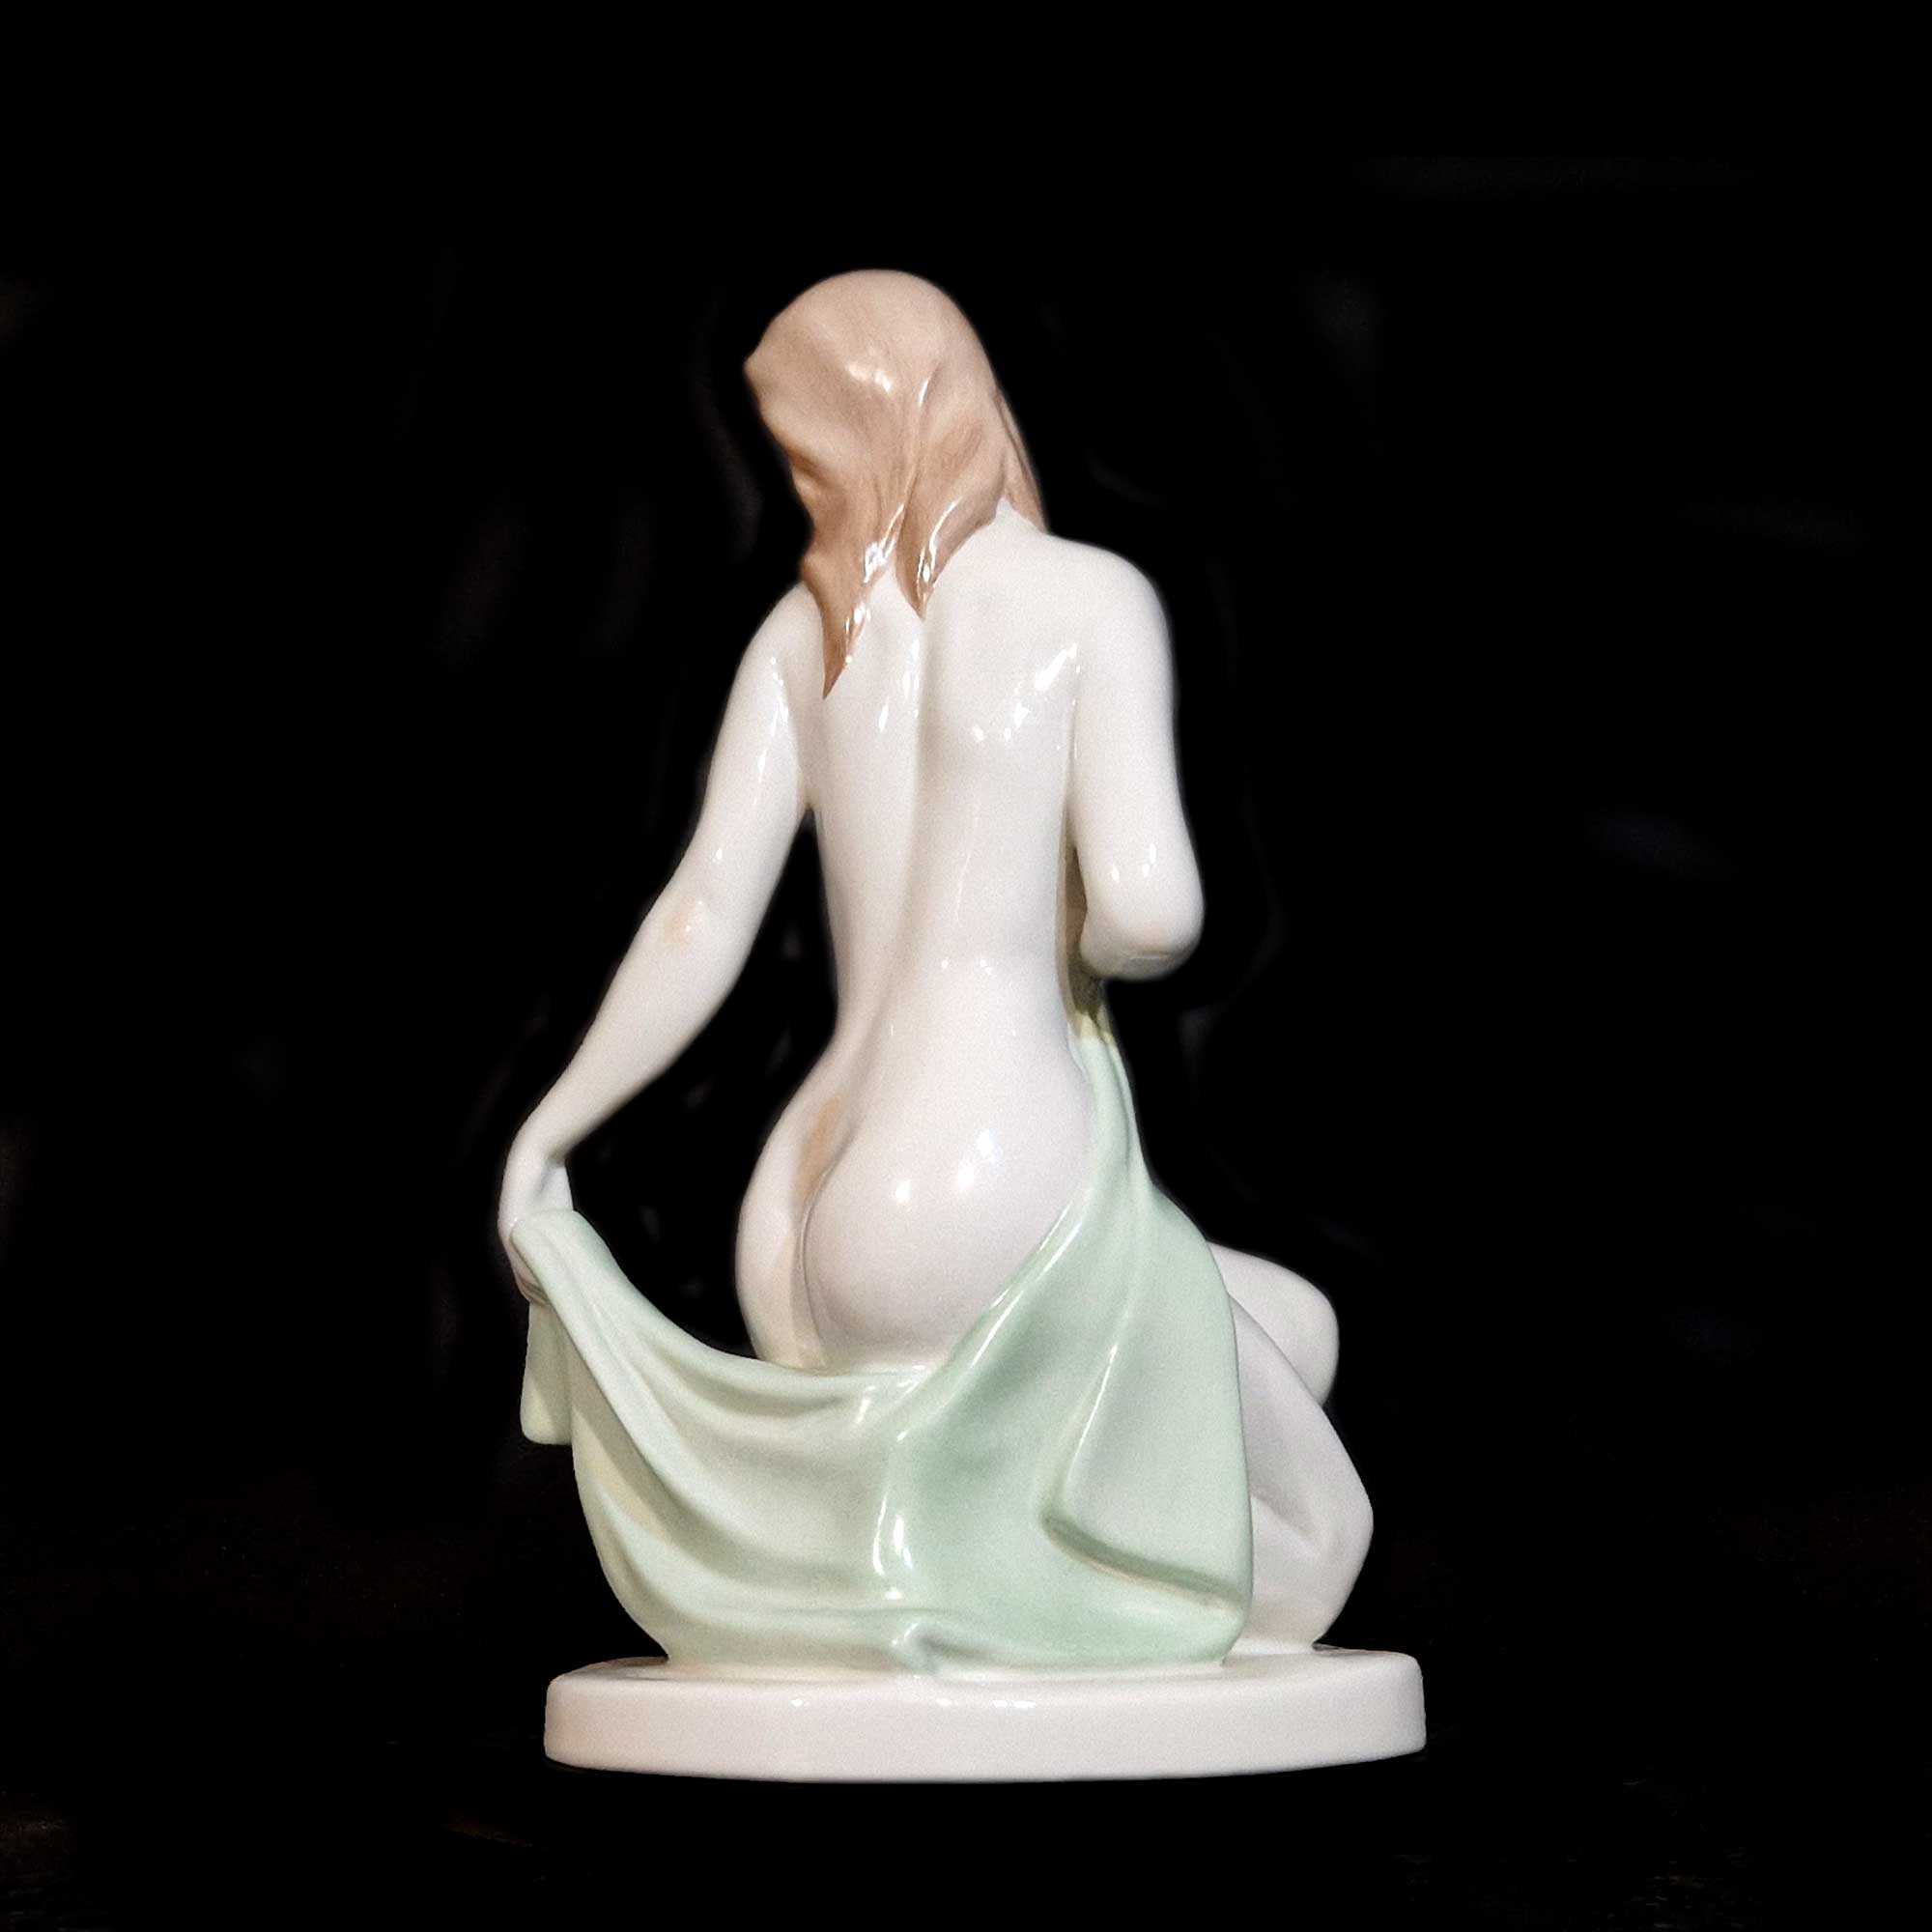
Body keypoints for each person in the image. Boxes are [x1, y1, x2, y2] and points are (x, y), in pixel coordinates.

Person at [498, 271, 1371, 1663]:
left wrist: (548, 1136)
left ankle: (970, 1552)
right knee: (1315, 1528)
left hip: (801, 1213)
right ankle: (1034, 1599)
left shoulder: (801, 641)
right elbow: (1152, 913)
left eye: (805, 455)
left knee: (1296, 1329)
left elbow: (700, 913)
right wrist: (1066, 930)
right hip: (982, 1168)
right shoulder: (1088, 599)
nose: (805, 489)